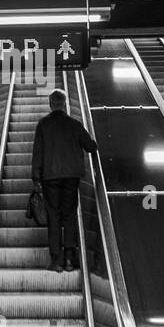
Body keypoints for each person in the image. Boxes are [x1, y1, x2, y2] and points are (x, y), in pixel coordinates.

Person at [31, 88, 98, 273]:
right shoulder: (74, 124)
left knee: (53, 216)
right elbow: (91, 146)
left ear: (50, 104)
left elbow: (37, 153)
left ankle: (56, 260)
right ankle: (70, 258)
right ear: (65, 104)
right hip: (71, 177)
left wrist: (36, 177)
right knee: (69, 214)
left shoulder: (43, 125)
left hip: (50, 177)